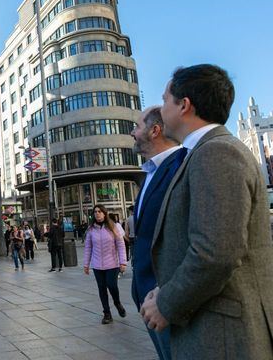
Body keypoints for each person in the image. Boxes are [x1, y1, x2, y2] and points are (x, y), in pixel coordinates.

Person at [141, 65, 273, 359]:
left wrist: (167, 303)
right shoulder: (203, 153)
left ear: (184, 105)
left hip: (223, 336)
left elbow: (216, 252)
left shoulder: (217, 153)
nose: (161, 110)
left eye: (165, 101)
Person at [129, 106, 182, 359]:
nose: (132, 132)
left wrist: (168, 294)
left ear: (155, 131)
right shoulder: (150, 172)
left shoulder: (180, 166)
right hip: (146, 297)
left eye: (137, 126)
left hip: (166, 300)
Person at [83, 205, 127, 324]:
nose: (97, 214)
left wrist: (123, 262)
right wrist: (86, 264)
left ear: (104, 213)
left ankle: (117, 303)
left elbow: (121, 245)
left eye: (99, 211)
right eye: (95, 212)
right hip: (97, 265)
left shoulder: (113, 227)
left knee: (112, 286)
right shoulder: (91, 229)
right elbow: (88, 248)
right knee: (102, 289)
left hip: (112, 264)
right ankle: (107, 314)